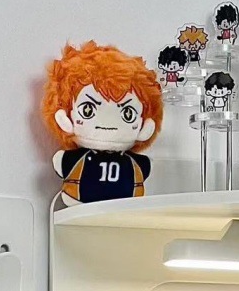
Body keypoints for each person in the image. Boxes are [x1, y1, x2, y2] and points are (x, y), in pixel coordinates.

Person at [42, 41, 163, 206]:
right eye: (88, 110)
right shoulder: (79, 158)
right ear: (65, 117)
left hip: (125, 209)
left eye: (127, 114)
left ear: (145, 124)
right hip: (80, 202)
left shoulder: (134, 162)